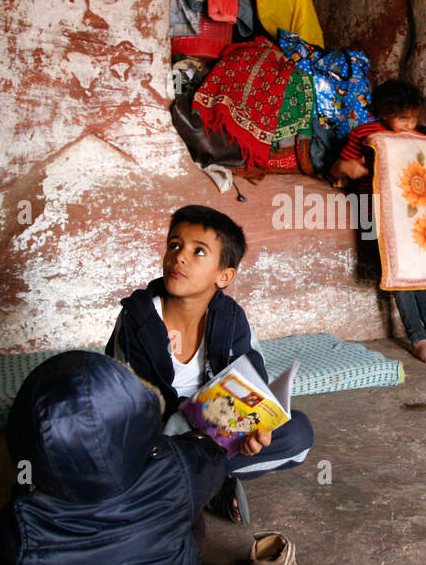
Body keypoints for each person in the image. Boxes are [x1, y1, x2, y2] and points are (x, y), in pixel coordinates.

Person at [0, 351, 228, 565]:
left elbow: (4, 544)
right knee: (187, 511)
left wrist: (28, 492)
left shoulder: (27, 518)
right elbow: (213, 464)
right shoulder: (175, 467)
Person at [106, 205, 314, 525]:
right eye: (174, 245)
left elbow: (252, 385)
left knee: (298, 434)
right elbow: (130, 406)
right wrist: (194, 429)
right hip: (160, 436)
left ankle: (191, 482)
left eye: (198, 251)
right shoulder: (138, 318)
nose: (180, 257)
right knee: (122, 458)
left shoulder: (231, 319)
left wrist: (255, 430)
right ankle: (205, 484)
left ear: (224, 275)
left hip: (216, 433)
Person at [330, 80, 426, 365]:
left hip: (411, 217)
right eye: (403, 117)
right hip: (378, 213)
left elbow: (424, 170)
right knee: (402, 274)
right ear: (383, 112)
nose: (410, 124)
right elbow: (337, 167)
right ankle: (417, 338)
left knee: (421, 272)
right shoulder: (365, 134)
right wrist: (348, 168)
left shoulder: (417, 138)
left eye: (414, 118)